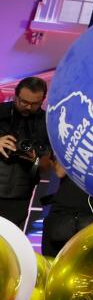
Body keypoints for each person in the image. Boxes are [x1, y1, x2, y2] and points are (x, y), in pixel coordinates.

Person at [0, 77, 52, 231]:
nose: (28, 107)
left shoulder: (47, 123)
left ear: (43, 100)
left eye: (34, 104)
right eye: (23, 101)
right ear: (16, 95)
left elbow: (46, 168)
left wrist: (36, 159)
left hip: (19, 197)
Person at [39, 155, 93, 256]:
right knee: (53, 261)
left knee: (88, 263)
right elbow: (60, 172)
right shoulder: (70, 144)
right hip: (62, 212)